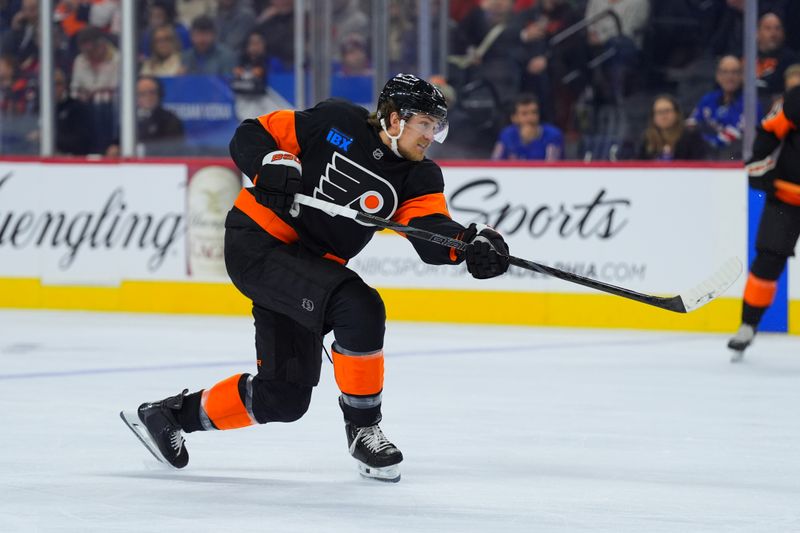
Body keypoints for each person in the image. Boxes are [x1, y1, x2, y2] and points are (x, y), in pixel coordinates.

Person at [120, 73, 511, 482]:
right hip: (258, 243)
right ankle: (363, 429)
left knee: (284, 397)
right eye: (426, 125)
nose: (431, 136)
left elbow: (431, 232)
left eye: (436, 127)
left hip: (308, 267)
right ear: (395, 119)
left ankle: (166, 417)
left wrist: (470, 245)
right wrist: (269, 164)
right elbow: (251, 134)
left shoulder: (419, 177)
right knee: (358, 306)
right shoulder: (336, 120)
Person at [727, 82, 800, 362]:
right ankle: (748, 325)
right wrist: (760, 167)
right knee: (768, 260)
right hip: (787, 196)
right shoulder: (797, 100)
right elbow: (768, 131)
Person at [686, 55, 762, 160]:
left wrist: (708, 140)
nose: (729, 77)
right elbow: (691, 125)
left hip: (736, 159)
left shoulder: (751, 103)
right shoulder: (708, 99)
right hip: (706, 157)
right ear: (718, 76)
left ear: (742, 76)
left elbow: (738, 135)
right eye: (725, 72)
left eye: (734, 72)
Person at [492, 93, 563, 160]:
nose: (530, 117)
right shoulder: (506, 134)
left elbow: (551, 167)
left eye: (534, 112)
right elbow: (495, 163)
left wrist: (532, 142)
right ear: (514, 118)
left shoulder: (553, 135)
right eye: (524, 114)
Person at [636, 95, 707, 161]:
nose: (663, 116)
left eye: (667, 111)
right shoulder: (647, 139)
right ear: (653, 117)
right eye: (659, 112)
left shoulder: (691, 137)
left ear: (676, 114)